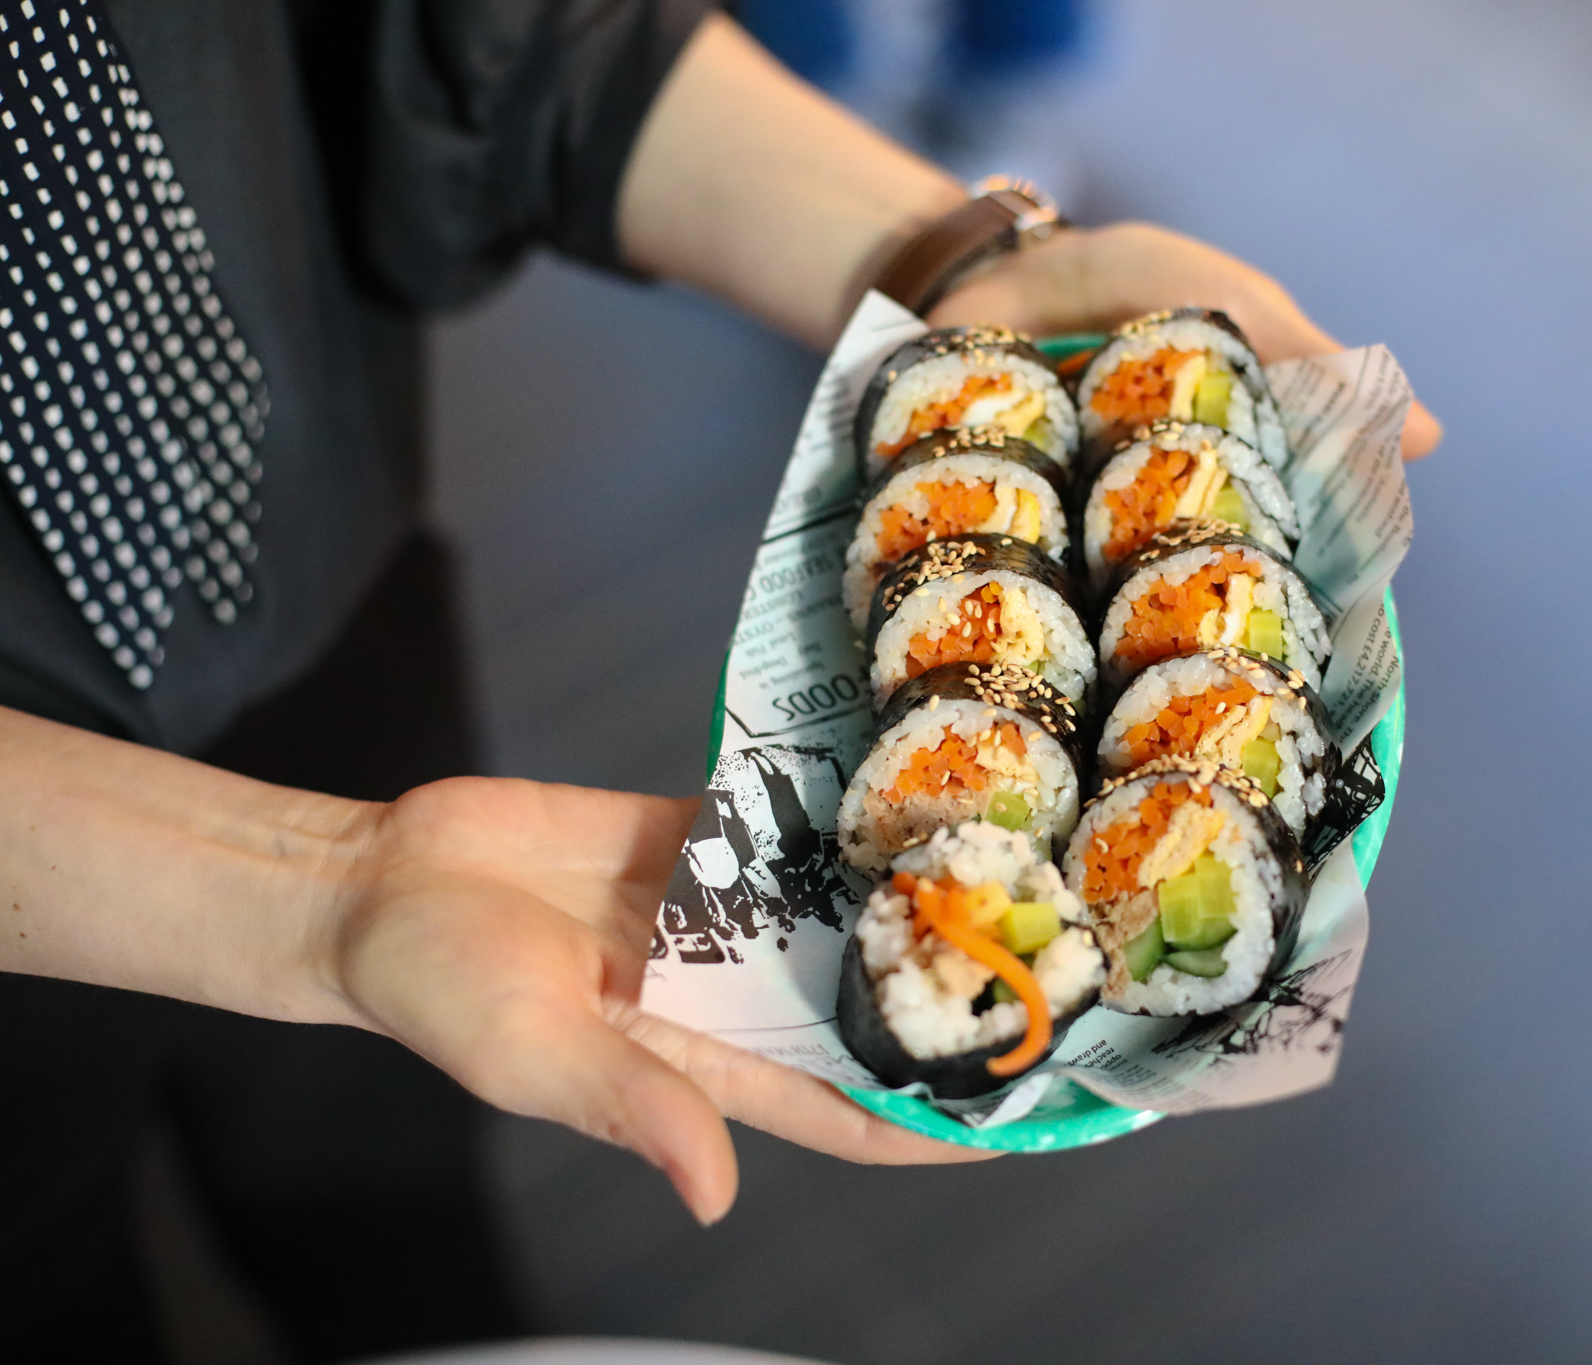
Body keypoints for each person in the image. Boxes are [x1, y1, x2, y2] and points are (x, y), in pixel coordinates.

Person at [0, 3, 1440, 1359]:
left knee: (383, 1174)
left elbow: (470, 34)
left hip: (323, 567)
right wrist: (307, 901)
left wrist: (945, 261)